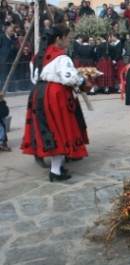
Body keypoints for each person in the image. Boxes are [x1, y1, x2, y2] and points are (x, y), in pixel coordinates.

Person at [21, 25, 90, 182]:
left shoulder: (37, 57)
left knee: (48, 130)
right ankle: (55, 172)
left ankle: (56, 167)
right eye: (67, 37)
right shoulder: (61, 57)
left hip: (38, 93)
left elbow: (34, 78)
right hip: (55, 96)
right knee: (58, 130)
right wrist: (82, 79)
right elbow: (69, 78)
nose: (68, 41)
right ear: (59, 39)